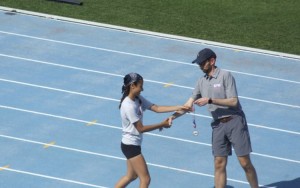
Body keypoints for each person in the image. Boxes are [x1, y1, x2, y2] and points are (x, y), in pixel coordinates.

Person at [169, 48, 259, 188]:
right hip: (218, 125)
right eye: (198, 63)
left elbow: (233, 101)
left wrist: (210, 100)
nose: (199, 66)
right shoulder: (201, 82)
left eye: (202, 63)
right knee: (218, 163)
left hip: (234, 120)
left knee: (245, 163)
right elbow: (187, 104)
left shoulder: (225, 75)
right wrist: (172, 117)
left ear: (212, 61)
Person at [115, 72, 190, 188]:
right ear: (132, 86)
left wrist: (178, 107)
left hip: (130, 144)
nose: (142, 89)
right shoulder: (128, 105)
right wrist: (162, 124)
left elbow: (157, 108)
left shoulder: (137, 99)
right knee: (145, 179)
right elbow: (141, 128)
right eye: (140, 86)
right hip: (131, 146)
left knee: (131, 176)